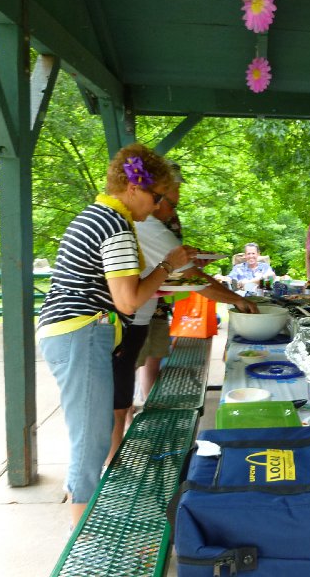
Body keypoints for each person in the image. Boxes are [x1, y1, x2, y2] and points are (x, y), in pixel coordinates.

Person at [37, 143, 194, 526]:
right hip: (81, 333)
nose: (157, 207)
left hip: (73, 333)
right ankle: (82, 537)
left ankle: (84, 523)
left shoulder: (99, 216)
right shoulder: (115, 225)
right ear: (134, 188)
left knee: (96, 430)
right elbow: (128, 300)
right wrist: (168, 266)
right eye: (156, 197)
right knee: (91, 440)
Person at [109, 169, 258, 461]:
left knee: (121, 394)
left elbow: (180, 273)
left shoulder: (143, 223)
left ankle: (117, 454)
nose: (163, 210)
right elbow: (192, 278)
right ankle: (113, 462)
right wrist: (237, 300)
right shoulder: (146, 225)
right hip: (124, 322)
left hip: (137, 319)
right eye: (169, 204)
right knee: (116, 400)